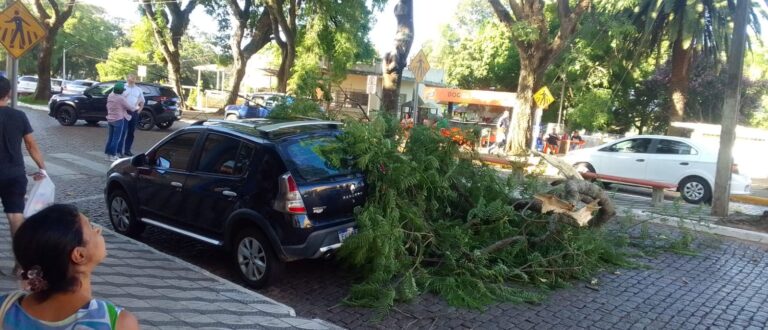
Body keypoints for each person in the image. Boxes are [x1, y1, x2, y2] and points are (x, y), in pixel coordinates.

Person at [0, 204, 139, 329]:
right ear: (79, 255)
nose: (98, 230)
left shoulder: (5, 307)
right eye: (90, 227)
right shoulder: (117, 323)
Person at [0, 76, 46, 242]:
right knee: (15, 216)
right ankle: (19, 264)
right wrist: (42, 168)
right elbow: (31, 145)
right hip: (14, 174)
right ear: (9, 94)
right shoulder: (19, 116)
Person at [105, 82, 132, 161]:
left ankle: (107, 155)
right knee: (116, 138)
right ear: (121, 91)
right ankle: (113, 155)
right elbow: (129, 107)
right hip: (118, 119)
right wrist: (136, 107)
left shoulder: (110, 96)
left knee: (110, 138)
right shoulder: (121, 98)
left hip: (110, 119)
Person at [120, 74, 145, 157]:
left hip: (134, 113)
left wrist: (138, 112)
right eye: (131, 77)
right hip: (124, 112)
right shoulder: (123, 87)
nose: (133, 79)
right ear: (127, 78)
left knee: (131, 132)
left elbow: (142, 102)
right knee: (122, 132)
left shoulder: (138, 89)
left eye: (134, 78)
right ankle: (119, 151)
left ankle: (127, 150)